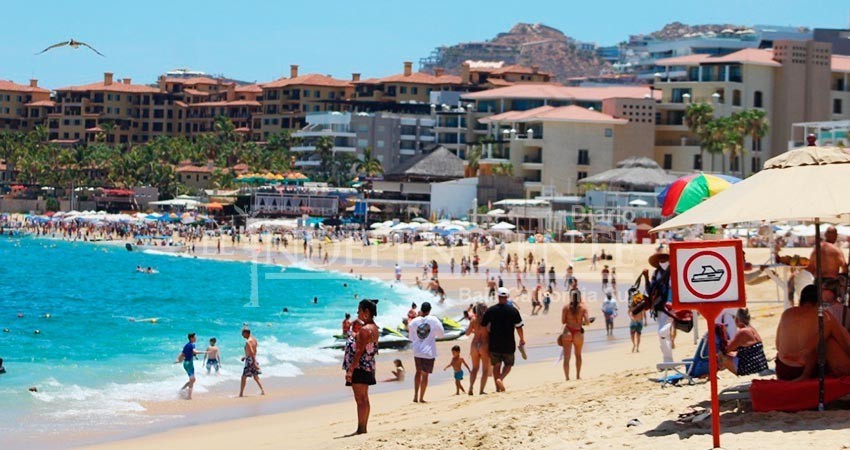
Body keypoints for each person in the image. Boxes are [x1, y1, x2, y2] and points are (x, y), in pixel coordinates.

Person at [776, 285, 850, 380]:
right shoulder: (824, 316)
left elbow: (778, 345)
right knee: (828, 340)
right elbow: (843, 343)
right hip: (807, 369)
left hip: (783, 369)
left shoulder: (786, 313)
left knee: (822, 338)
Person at [345, 299, 379, 435]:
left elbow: (359, 351)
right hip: (369, 366)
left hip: (360, 367)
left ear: (366, 312)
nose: (357, 312)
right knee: (364, 398)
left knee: (360, 399)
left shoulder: (365, 330)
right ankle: (363, 427)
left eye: (359, 310)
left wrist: (351, 369)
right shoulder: (374, 328)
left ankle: (361, 428)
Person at [481, 287, 525, 392]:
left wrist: (485, 340)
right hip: (509, 343)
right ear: (507, 297)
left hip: (494, 343)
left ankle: (497, 387)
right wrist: (522, 339)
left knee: (496, 365)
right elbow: (519, 327)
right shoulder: (513, 311)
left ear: (498, 297)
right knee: (508, 364)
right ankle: (501, 378)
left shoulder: (490, 311)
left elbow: (483, 327)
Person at [408, 302, 444, 403]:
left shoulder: (413, 322)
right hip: (429, 351)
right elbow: (441, 334)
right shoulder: (434, 320)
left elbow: (411, 337)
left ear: (421, 309)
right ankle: (421, 397)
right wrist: (432, 335)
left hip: (417, 350)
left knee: (417, 372)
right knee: (425, 375)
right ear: (430, 310)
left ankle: (415, 396)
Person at [642, 251, 674, 363]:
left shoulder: (674, 272)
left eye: (665, 259)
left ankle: (668, 358)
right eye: (661, 260)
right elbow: (650, 291)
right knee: (662, 336)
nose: (663, 262)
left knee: (663, 332)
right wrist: (646, 278)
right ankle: (668, 359)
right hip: (660, 307)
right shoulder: (656, 274)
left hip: (672, 306)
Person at [719, 308, 768, 376]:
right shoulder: (752, 329)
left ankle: (708, 374)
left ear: (737, 320)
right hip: (761, 365)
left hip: (749, 369)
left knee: (720, 356)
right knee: (733, 354)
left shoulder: (742, 332)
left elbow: (726, 349)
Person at [562, 282, 590, 380]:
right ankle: (578, 376)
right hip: (578, 332)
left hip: (568, 331)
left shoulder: (566, 308)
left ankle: (567, 378)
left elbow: (563, 321)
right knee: (578, 355)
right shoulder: (583, 308)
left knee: (566, 357)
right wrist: (581, 322)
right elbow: (587, 322)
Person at [466, 302, 491, 395]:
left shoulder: (473, 319)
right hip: (484, 344)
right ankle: (481, 390)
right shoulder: (487, 320)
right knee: (485, 369)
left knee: (475, 368)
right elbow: (489, 330)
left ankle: (471, 387)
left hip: (474, 344)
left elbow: (467, 333)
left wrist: (475, 331)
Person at [176, 333, 204, 400]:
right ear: (191, 338)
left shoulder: (186, 345)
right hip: (189, 364)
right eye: (195, 337)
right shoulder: (192, 345)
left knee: (192, 380)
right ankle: (188, 396)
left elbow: (182, 354)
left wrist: (178, 360)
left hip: (186, 363)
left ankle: (182, 390)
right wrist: (205, 352)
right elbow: (195, 352)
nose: (196, 338)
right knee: (192, 379)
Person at [239, 328, 265, 397]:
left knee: (243, 377)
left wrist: (254, 362)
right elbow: (254, 351)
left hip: (250, 361)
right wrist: (246, 357)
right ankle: (263, 390)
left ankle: (241, 394)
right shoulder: (254, 339)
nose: (242, 335)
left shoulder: (248, 342)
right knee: (255, 376)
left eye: (243, 333)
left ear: (246, 333)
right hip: (252, 359)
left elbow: (252, 352)